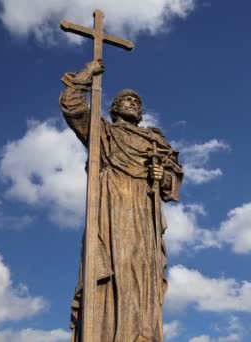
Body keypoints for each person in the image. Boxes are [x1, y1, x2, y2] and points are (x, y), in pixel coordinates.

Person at [60, 59, 183, 342]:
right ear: (114, 108)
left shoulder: (155, 142)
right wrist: (85, 76)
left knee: (144, 274)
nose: (132, 102)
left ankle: (141, 334)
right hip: (112, 208)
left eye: (136, 101)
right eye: (125, 99)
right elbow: (73, 109)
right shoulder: (104, 134)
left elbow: (170, 183)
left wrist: (160, 174)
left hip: (143, 210)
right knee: (116, 269)